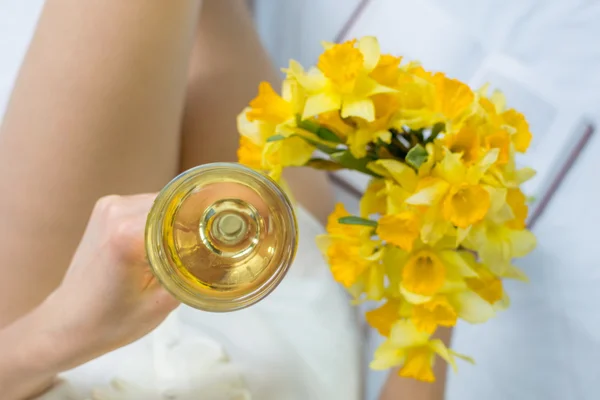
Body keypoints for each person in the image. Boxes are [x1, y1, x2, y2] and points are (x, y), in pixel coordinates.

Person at [0, 1, 363, 399]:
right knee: (215, 18)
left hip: (53, 357)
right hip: (278, 336)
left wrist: (64, 332)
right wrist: (431, 302)